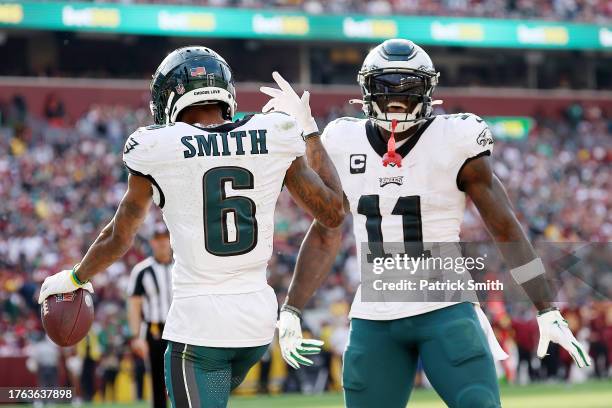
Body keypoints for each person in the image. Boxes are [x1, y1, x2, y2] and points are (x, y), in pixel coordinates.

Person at [274, 39, 591, 408]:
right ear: (366, 92)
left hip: (446, 307)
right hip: (375, 316)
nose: (397, 102)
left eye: (407, 91)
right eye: (386, 90)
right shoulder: (342, 140)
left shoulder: (454, 139)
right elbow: (327, 230)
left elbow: (505, 228)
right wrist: (292, 307)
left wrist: (545, 306)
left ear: (427, 93)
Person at [38, 46, 344, 407]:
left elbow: (120, 235)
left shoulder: (156, 146)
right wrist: (309, 130)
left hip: (200, 329)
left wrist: (75, 277)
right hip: (257, 325)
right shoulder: (274, 132)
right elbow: (334, 213)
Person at [127, 223, 173, 408]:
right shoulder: (142, 271)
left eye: (165, 239)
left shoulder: (181, 267)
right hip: (154, 329)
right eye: (158, 240)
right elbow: (134, 305)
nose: (162, 244)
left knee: (181, 377)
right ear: (152, 242)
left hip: (179, 328)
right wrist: (136, 336)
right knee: (157, 377)